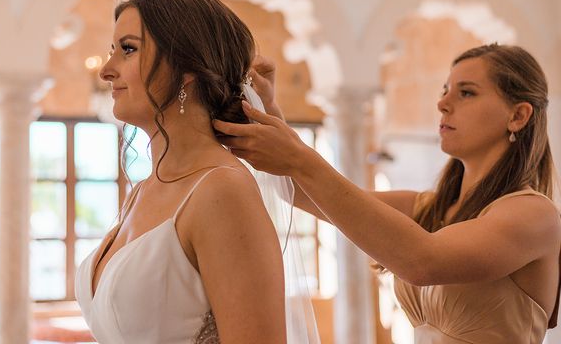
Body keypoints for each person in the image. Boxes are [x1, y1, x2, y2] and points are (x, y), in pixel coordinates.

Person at [214, 45, 561, 343]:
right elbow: (306, 193)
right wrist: (269, 110)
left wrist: (299, 158)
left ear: (518, 115)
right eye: (445, 89)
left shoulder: (534, 215)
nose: (442, 102)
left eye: (466, 92)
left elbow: (423, 262)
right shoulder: (428, 207)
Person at [75, 0, 290, 343]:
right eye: (111, 51)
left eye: (127, 49)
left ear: (187, 68)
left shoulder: (223, 191)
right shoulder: (144, 190)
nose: (107, 71)